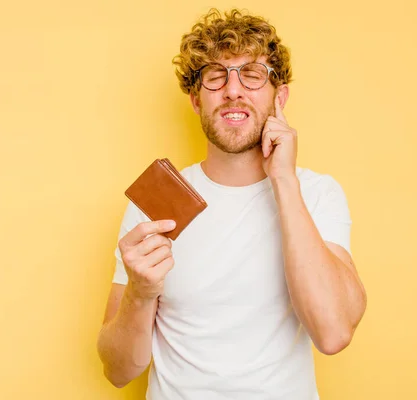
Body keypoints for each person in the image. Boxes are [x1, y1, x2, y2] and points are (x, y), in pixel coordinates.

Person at [97, 8, 367, 400]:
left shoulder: (316, 193)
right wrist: (140, 292)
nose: (233, 90)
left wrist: (284, 180)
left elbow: (334, 332)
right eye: (215, 76)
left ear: (281, 96)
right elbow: (118, 371)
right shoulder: (158, 206)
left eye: (252, 75)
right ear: (195, 100)